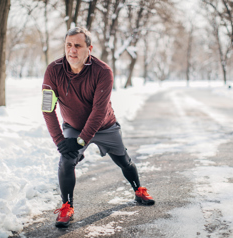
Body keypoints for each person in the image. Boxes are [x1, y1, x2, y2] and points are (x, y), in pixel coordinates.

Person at [42, 27, 155, 228]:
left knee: (124, 161)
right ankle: (67, 206)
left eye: (78, 45)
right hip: (73, 127)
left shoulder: (103, 71)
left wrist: (81, 141)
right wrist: (60, 141)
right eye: (68, 45)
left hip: (105, 126)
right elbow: (47, 109)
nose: (72, 50)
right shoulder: (53, 70)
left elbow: (98, 111)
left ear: (89, 48)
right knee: (66, 161)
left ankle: (138, 190)